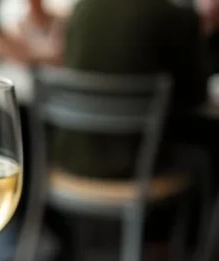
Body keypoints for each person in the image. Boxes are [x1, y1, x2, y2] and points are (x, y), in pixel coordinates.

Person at [55, 0, 208, 178]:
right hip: (140, 167)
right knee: (202, 158)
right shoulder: (177, 16)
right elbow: (195, 95)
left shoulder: (83, 8)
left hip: (71, 161)